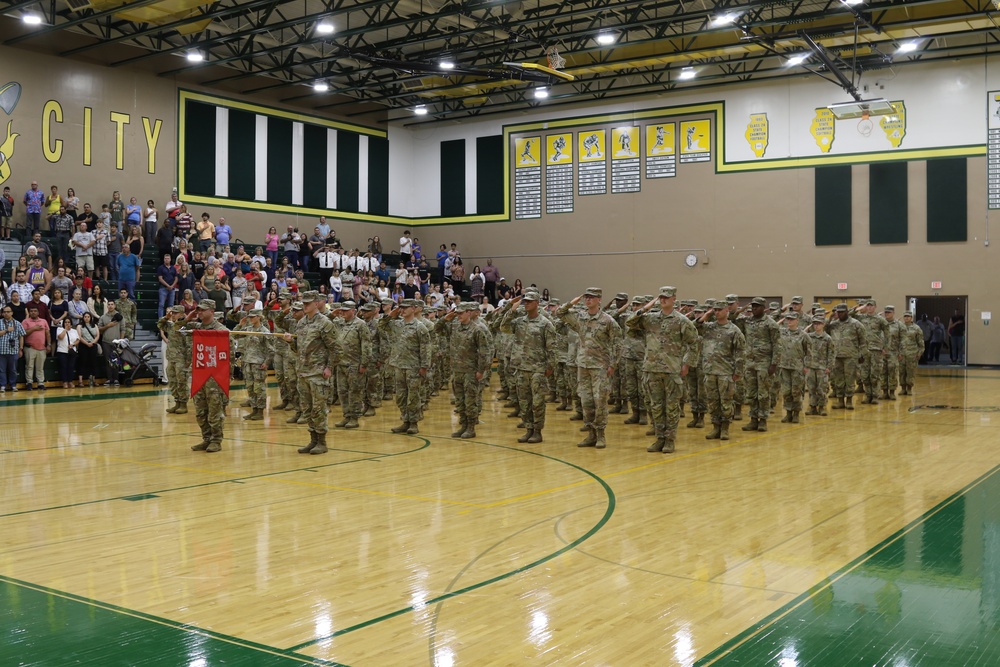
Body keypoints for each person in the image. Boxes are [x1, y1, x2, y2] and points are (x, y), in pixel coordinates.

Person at [625, 286, 697, 453]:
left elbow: (693, 343)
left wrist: (687, 363)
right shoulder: (650, 319)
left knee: (671, 407)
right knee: (656, 406)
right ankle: (659, 438)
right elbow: (630, 322)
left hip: (672, 370)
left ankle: (670, 440)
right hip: (651, 369)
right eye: (661, 297)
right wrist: (646, 307)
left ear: (674, 299)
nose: (663, 300)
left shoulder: (681, 321)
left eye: (667, 297)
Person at [497, 292, 557, 443]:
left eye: (530, 301)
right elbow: (503, 327)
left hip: (538, 368)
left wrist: (550, 366)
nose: (526, 304)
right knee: (524, 401)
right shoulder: (519, 322)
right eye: (525, 301)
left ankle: (537, 431)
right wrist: (511, 308)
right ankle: (528, 429)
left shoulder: (545, 323)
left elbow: (552, 348)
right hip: (521, 367)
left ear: (537, 303)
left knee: (537, 402)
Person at [288, 291, 339, 454]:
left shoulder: (325, 323)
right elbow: (300, 348)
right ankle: (313, 440)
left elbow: (336, 348)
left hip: (318, 373)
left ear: (317, 303)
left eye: (308, 303)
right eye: (303, 303)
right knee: (307, 408)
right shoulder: (301, 323)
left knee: (319, 408)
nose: (305, 306)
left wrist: (329, 367)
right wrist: (291, 342)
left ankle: (322, 442)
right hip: (303, 372)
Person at [182, 300, 230, 452]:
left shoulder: (221, 330)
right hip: (199, 375)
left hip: (215, 378)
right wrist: (187, 319)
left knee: (215, 411)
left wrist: (227, 377)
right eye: (198, 310)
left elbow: (230, 355)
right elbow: (174, 328)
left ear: (212, 310)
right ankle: (206, 438)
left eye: (202, 310)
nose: (199, 313)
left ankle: (216, 440)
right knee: (201, 411)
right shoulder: (197, 327)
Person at [379, 298, 431, 435]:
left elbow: (425, 348)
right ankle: (405, 420)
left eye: (406, 307)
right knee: (401, 396)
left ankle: (413, 423)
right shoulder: (396, 324)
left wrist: (424, 366)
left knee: (413, 396)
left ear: (413, 309)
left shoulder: (420, 327)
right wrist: (392, 314)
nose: (402, 310)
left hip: (413, 366)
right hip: (398, 365)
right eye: (401, 307)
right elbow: (381, 325)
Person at [700, 299, 746, 440]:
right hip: (710, 370)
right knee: (712, 402)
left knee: (726, 401)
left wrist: (738, 372)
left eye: (720, 309)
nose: (717, 312)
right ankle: (716, 427)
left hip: (725, 372)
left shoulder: (734, 330)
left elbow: (740, 353)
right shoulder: (708, 327)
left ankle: (725, 428)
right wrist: (706, 316)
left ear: (727, 311)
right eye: (715, 310)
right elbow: (694, 327)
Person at [333, 301, 372, 430]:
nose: (342, 312)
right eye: (341, 310)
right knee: (342, 392)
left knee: (354, 391)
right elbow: (325, 322)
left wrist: (364, 363)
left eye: (345, 310)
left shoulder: (360, 325)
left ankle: (354, 417)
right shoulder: (339, 323)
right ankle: (346, 415)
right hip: (341, 363)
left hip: (355, 364)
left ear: (353, 311)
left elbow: (366, 345)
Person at [826, 304, 866, 410]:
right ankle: (840, 401)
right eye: (838, 312)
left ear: (847, 312)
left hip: (851, 356)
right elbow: (825, 330)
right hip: (837, 356)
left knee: (849, 379)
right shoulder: (834, 324)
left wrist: (862, 353)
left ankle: (848, 401)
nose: (840, 314)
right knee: (838, 379)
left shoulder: (856, 324)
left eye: (842, 312)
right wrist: (829, 318)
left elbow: (863, 340)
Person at [238, 309, 273, 421]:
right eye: (250, 317)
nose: (251, 319)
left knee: (259, 388)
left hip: (258, 363)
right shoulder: (248, 329)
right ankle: (254, 409)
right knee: (250, 387)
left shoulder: (264, 331)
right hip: (248, 362)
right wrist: (240, 325)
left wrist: (266, 362)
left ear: (259, 317)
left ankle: (260, 411)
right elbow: (235, 335)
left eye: (253, 317)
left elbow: (271, 350)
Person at [22, 304, 50, 391]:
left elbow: (47, 334)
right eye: (31, 311)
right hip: (30, 347)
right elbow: (23, 333)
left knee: (40, 367)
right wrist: (34, 328)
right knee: (29, 366)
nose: (33, 313)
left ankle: (40, 383)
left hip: (42, 347)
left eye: (35, 311)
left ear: (38, 312)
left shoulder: (44, 321)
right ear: (29, 313)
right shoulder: (25, 321)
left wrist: (48, 344)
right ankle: (29, 383)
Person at [0, 305, 25, 392]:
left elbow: (21, 336)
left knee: (13, 369)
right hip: (1, 350)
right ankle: (2, 385)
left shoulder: (17, 323)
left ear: (12, 313)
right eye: (4, 312)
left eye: (8, 312)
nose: (6, 313)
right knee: (1, 369)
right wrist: (7, 330)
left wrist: (21, 348)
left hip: (13, 350)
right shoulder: (0, 322)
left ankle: (13, 385)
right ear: (2, 313)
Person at [899, 311, 924, 395]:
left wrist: (919, 353)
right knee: (902, 372)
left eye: (908, 316)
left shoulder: (916, 328)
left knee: (910, 372)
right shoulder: (900, 327)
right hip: (901, 354)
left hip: (912, 353)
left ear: (911, 318)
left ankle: (909, 388)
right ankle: (903, 388)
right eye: (905, 316)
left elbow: (920, 342)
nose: (906, 318)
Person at [76, 311, 101, 388]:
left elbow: (97, 336)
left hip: (93, 345)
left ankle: (93, 380)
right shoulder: (79, 326)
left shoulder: (95, 325)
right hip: (83, 346)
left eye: (88, 317)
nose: (86, 318)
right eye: (85, 317)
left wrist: (93, 343)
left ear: (91, 318)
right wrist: (87, 343)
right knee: (82, 362)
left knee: (93, 363)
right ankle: (80, 381)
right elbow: (79, 337)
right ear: (83, 318)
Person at [55, 318, 79, 388]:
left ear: (71, 323)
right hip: (62, 351)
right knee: (64, 367)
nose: (67, 323)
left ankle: (70, 381)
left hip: (72, 351)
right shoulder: (59, 329)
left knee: (71, 367)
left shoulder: (74, 331)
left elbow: (78, 340)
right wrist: (65, 329)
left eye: (69, 322)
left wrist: (73, 344)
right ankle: (65, 382)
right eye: (66, 322)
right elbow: (60, 337)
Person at [157, 254, 178, 318]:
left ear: (170, 259)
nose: (167, 260)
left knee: (171, 305)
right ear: (163, 259)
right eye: (165, 258)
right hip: (163, 288)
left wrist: (172, 286)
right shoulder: (161, 268)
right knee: (161, 305)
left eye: (168, 258)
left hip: (172, 288)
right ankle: (160, 320)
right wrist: (168, 285)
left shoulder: (173, 268)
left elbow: (176, 278)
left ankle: (169, 319)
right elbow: (160, 278)